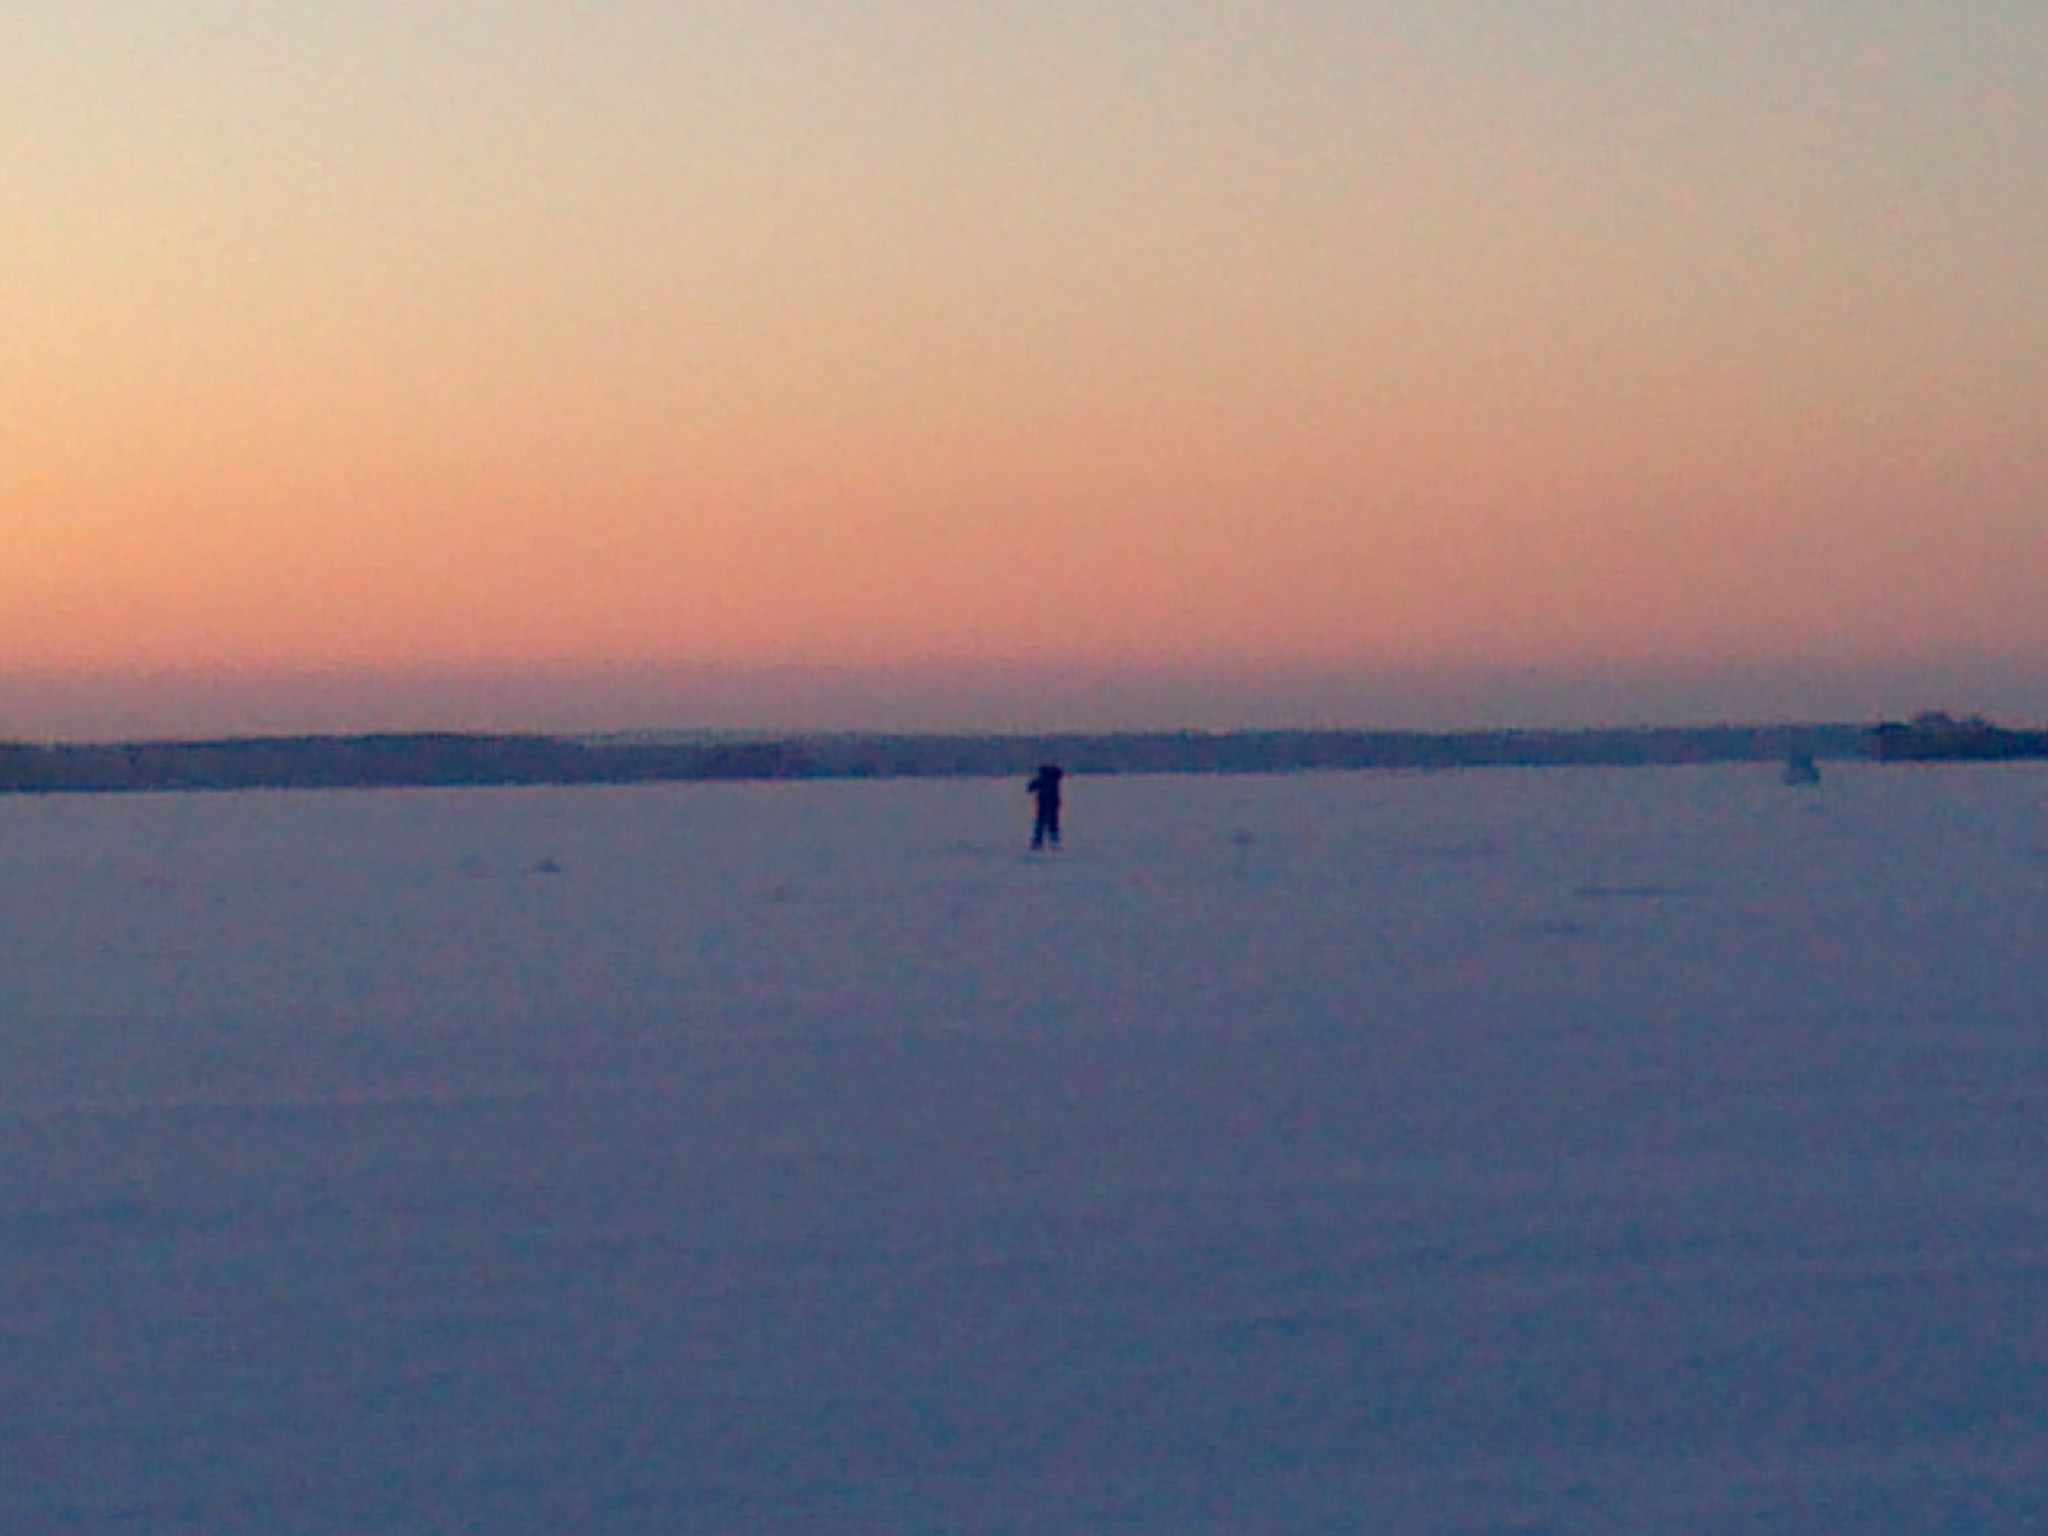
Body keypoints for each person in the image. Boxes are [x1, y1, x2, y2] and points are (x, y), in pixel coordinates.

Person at [1026, 762, 1064, 849]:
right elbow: (1060, 774)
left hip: (1043, 803)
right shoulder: (1054, 778)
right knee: (1053, 822)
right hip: (1053, 803)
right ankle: (1053, 841)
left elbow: (1030, 788)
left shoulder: (1042, 779)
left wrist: (1032, 785)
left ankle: (1038, 842)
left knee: (1041, 823)